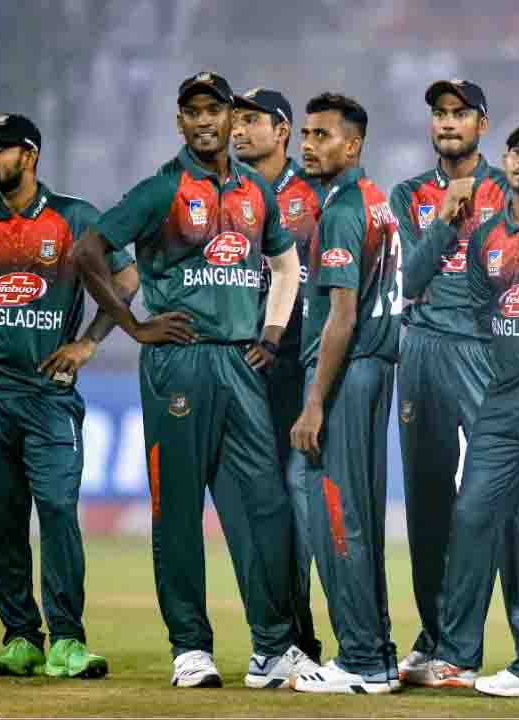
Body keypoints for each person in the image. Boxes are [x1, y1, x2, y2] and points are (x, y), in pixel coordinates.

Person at [73, 71, 304, 690]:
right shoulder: (162, 188)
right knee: (177, 510)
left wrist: (272, 334)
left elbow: (286, 265)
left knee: (265, 506)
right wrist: (133, 326)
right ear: (180, 121)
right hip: (180, 360)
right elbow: (87, 251)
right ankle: (191, 649)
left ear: (230, 118)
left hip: (241, 363)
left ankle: (271, 650)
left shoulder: (256, 190)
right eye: (192, 112)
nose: (204, 121)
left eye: (214, 110)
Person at [0, 113, 136, 680]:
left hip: (49, 397)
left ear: (29, 156)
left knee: (58, 510)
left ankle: (67, 640)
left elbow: (127, 278)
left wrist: (89, 342)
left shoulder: (74, 218)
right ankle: (20, 637)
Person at [414, 120, 519, 697]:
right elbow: (483, 309)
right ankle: (458, 657)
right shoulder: (485, 236)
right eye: (516, 151)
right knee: (471, 517)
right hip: (501, 400)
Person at [388, 80, 519, 684]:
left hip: (486, 351)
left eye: (460, 114)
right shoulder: (409, 195)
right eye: (440, 113)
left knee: (505, 501)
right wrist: (446, 221)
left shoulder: (510, 190)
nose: (448, 123)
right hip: (422, 349)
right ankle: (438, 639)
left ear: (482, 124)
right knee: (426, 501)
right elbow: (407, 281)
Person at [287, 93, 403, 695]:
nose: (308, 145)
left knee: (337, 514)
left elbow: (342, 315)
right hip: (374, 370)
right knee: (357, 514)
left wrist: (314, 401)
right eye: (306, 134)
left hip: (347, 372)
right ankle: (376, 652)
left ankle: (360, 658)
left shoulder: (341, 211)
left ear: (352, 145)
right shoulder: (376, 201)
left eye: (322, 135)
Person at [231, 86, 326, 668]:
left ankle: (305, 637)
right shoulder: (226, 195)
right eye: (235, 120)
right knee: (258, 508)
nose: (238, 130)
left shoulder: (314, 196)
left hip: (300, 370)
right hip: (244, 372)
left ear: (282, 130)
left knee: (300, 505)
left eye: (251, 120)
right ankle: (278, 639)